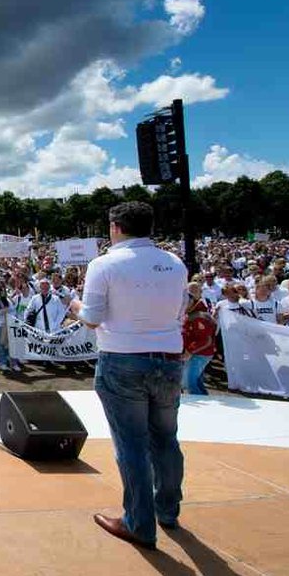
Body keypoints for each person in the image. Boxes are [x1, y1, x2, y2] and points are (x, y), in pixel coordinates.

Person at [70, 201, 188, 549]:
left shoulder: (104, 264)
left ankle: (139, 522)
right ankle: (167, 511)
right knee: (166, 440)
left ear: (116, 226)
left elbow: (91, 318)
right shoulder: (175, 263)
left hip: (123, 360)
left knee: (132, 444)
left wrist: (75, 306)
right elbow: (177, 308)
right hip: (168, 358)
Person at [181, 284, 217, 396]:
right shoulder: (192, 314)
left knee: (190, 382)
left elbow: (205, 340)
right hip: (197, 353)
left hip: (200, 354)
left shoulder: (199, 317)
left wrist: (189, 351)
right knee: (196, 381)